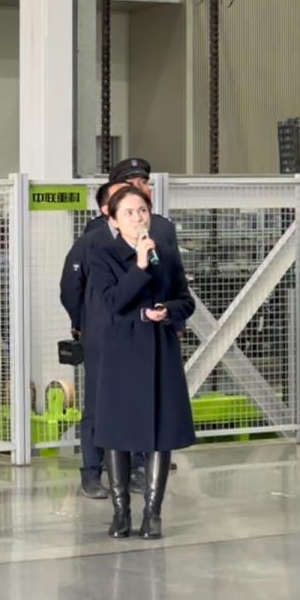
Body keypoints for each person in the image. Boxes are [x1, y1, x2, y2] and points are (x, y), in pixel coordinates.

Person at [58, 158, 178, 502]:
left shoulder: (160, 231)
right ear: (109, 210)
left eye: (142, 190)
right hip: (104, 335)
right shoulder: (93, 240)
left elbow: (171, 282)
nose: (136, 209)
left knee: (142, 400)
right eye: (126, 198)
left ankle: (137, 468)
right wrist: (83, 323)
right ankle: (92, 472)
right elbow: (71, 288)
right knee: (100, 404)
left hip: (147, 333)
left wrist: (172, 318)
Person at [87, 184, 197, 539]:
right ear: (114, 220)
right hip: (120, 352)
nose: (138, 218)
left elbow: (186, 300)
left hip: (160, 351)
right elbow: (113, 303)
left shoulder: (166, 253)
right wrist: (139, 265)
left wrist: (167, 310)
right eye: (129, 213)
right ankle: (121, 512)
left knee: (160, 432)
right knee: (116, 432)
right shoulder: (102, 255)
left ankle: (153, 512)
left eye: (143, 211)